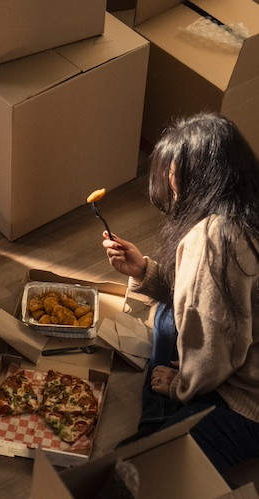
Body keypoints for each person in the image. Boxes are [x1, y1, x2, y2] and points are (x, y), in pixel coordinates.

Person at [102, 112, 259, 479]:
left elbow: (213, 346)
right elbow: (213, 305)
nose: (170, 190)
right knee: (168, 316)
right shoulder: (247, 208)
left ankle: (158, 423)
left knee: (138, 474)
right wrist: (144, 272)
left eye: (173, 179)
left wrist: (182, 387)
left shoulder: (214, 239)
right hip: (246, 357)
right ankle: (160, 425)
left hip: (248, 402)